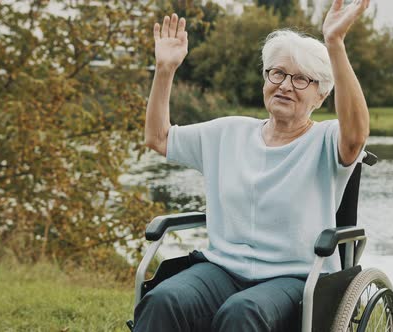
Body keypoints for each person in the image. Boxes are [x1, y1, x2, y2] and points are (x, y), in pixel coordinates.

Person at [135, 0, 370, 331]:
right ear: (265, 80)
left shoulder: (326, 140)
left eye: (302, 79)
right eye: (278, 73)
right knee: (164, 299)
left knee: (242, 312)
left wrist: (335, 43)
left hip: (295, 276)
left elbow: (356, 136)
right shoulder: (227, 133)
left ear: (320, 96)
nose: (286, 85)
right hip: (221, 270)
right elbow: (158, 138)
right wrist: (165, 70)